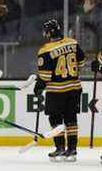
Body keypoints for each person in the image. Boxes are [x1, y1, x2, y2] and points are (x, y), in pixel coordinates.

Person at [34, 19, 85, 162]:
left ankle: (60, 148)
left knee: (56, 119)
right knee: (71, 119)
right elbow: (81, 62)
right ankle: (72, 150)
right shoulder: (73, 42)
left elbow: (45, 76)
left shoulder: (45, 50)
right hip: (74, 88)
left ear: (50, 32)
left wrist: (38, 87)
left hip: (56, 91)